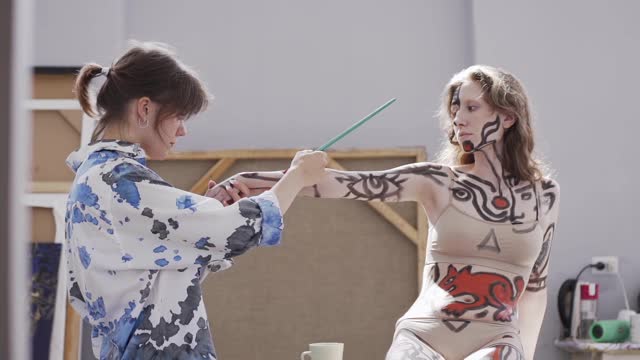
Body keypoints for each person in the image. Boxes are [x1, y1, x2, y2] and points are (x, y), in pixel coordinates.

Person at [209, 65, 560, 360]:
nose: (458, 117)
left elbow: (535, 289)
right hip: (423, 338)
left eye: (472, 107)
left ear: (508, 116)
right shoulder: (437, 180)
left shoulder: (544, 195)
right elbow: (340, 183)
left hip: (498, 342)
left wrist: (525, 353)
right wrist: (246, 179)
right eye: (455, 107)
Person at [65, 41, 327, 360]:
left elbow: (154, 275)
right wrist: (297, 176)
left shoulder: (97, 176)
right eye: (178, 117)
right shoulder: (118, 180)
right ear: (145, 109)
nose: (183, 131)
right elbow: (239, 227)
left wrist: (199, 218)